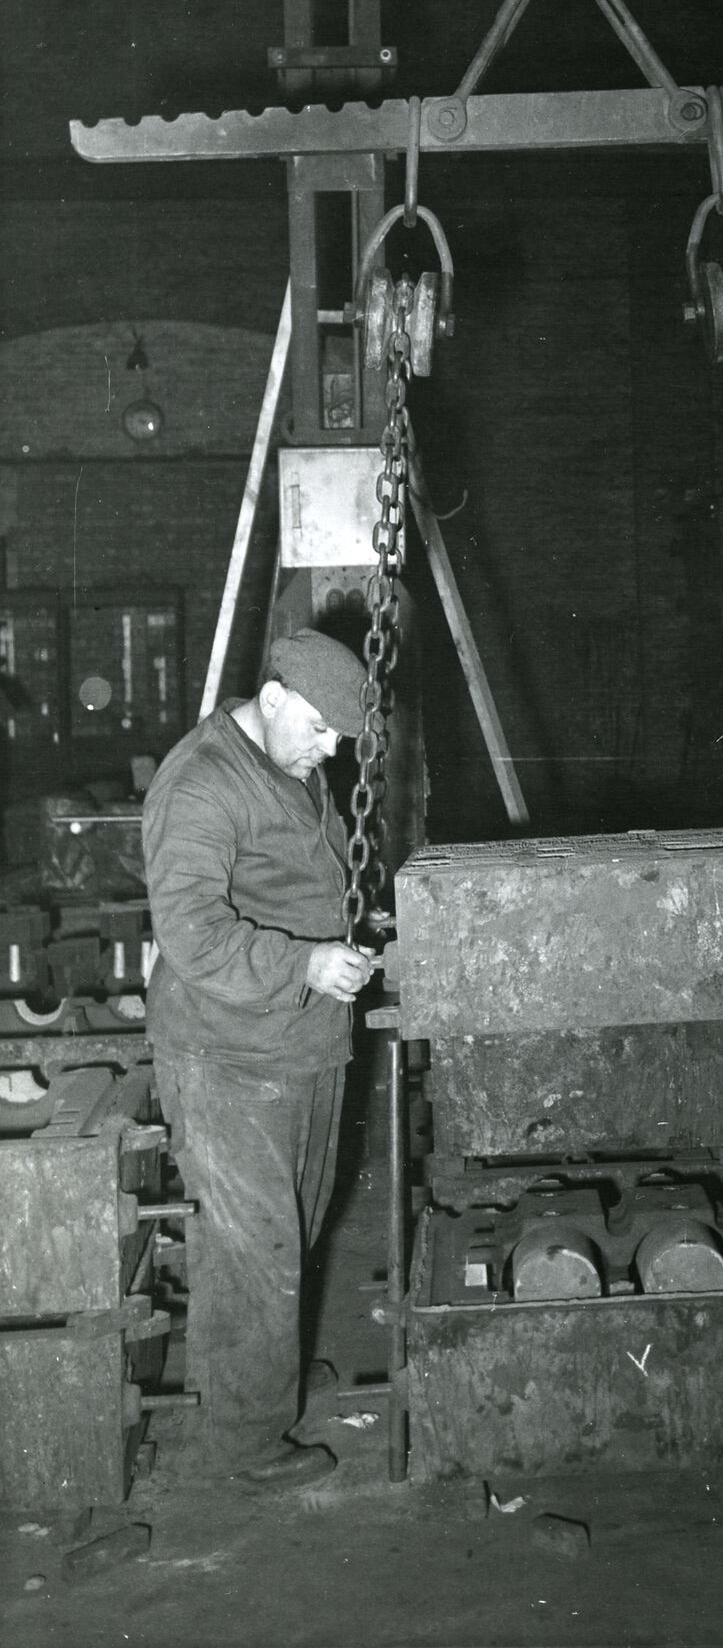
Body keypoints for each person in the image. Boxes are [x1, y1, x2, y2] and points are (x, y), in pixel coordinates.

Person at [142, 629, 378, 1490]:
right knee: (256, 1249)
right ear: (272, 697)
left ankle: (259, 1376)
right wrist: (304, 963)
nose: (329, 751)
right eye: (320, 730)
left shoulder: (290, 765)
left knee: (298, 1222)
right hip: (225, 1053)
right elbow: (194, 934)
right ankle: (245, 1438)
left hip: (299, 1041)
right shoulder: (202, 781)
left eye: (340, 741)